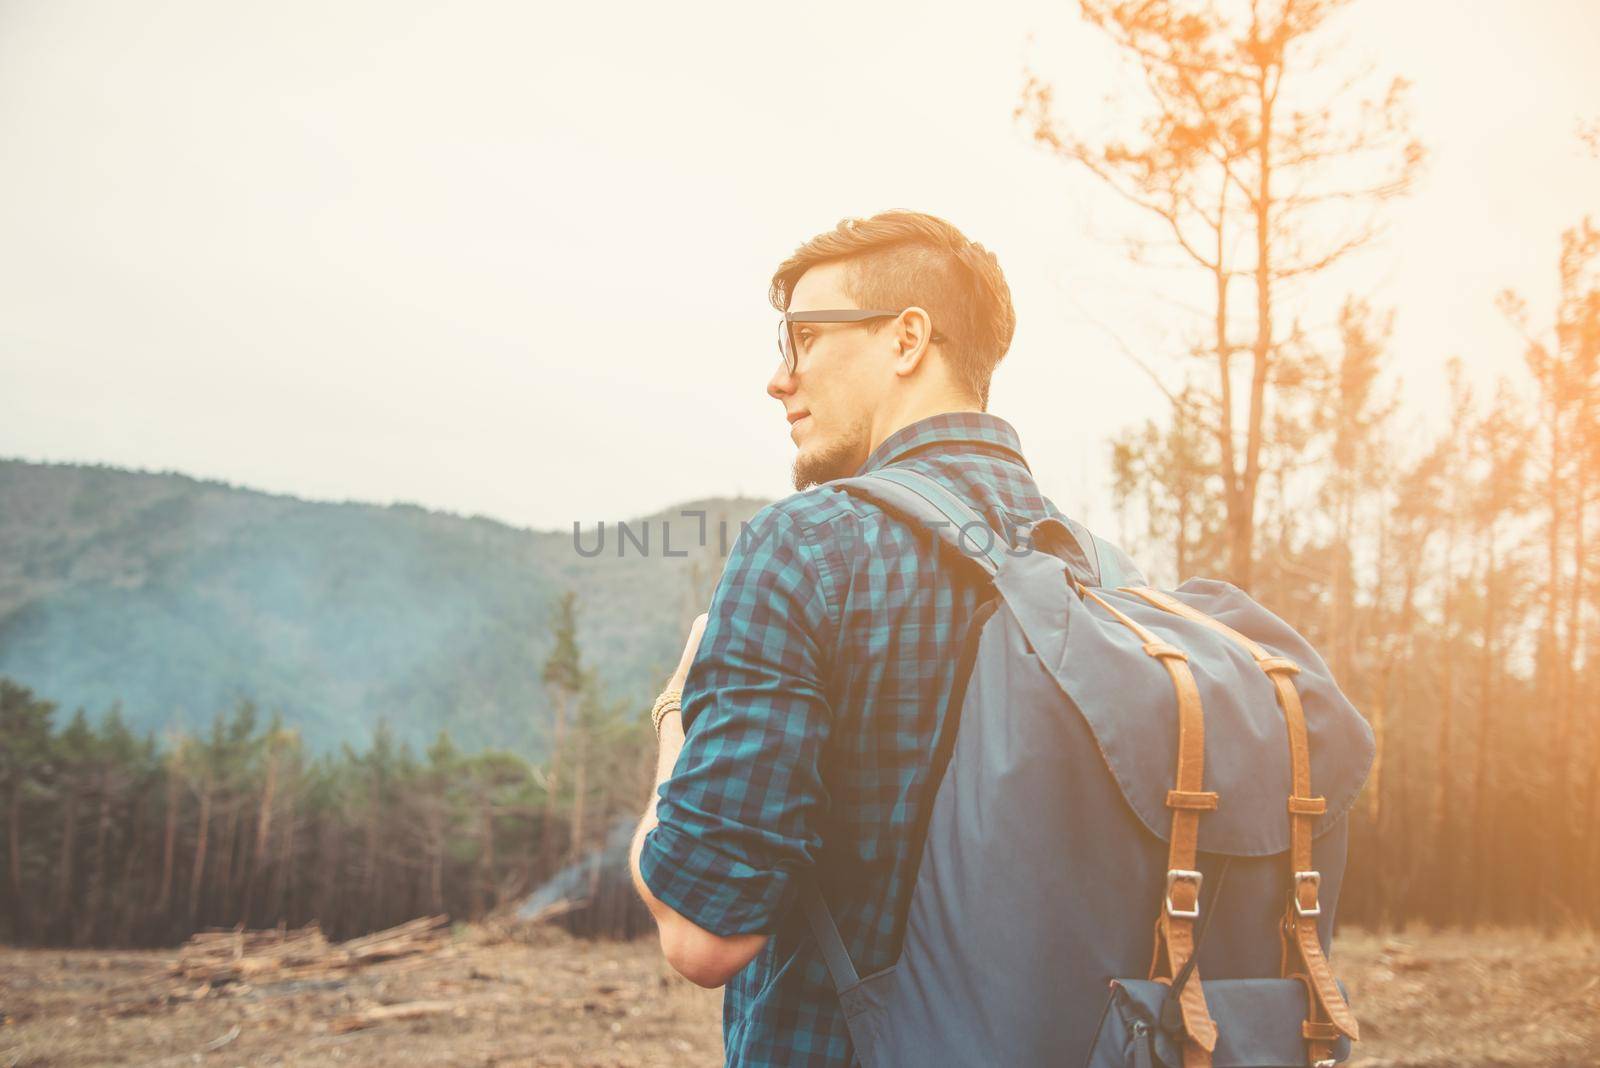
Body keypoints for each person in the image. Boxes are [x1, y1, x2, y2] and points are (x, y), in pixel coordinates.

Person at [628, 210, 1068, 1066]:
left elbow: (701, 936)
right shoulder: (1092, 566)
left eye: (801, 339)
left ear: (908, 339)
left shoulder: (807, 545)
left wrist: (674, 713)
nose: (777, 379)